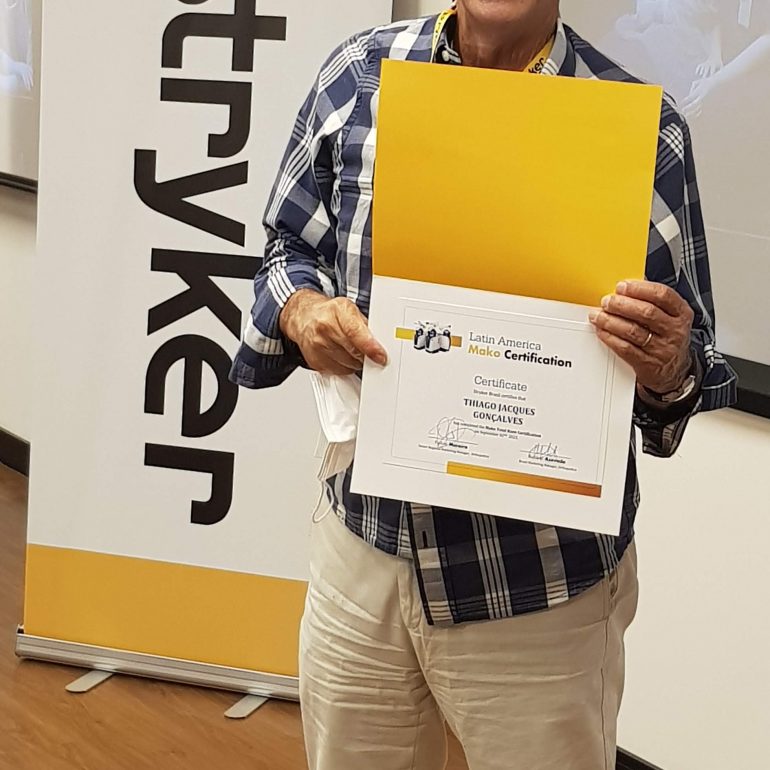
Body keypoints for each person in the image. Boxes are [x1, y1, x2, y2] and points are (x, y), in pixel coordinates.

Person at [231, 2, 737, 768]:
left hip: (538, 584)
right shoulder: (359, 74)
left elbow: (686, 364)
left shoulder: (641, 130)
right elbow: (284, 249)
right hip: (361, 547)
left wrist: (669, 365)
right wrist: (301, 311)